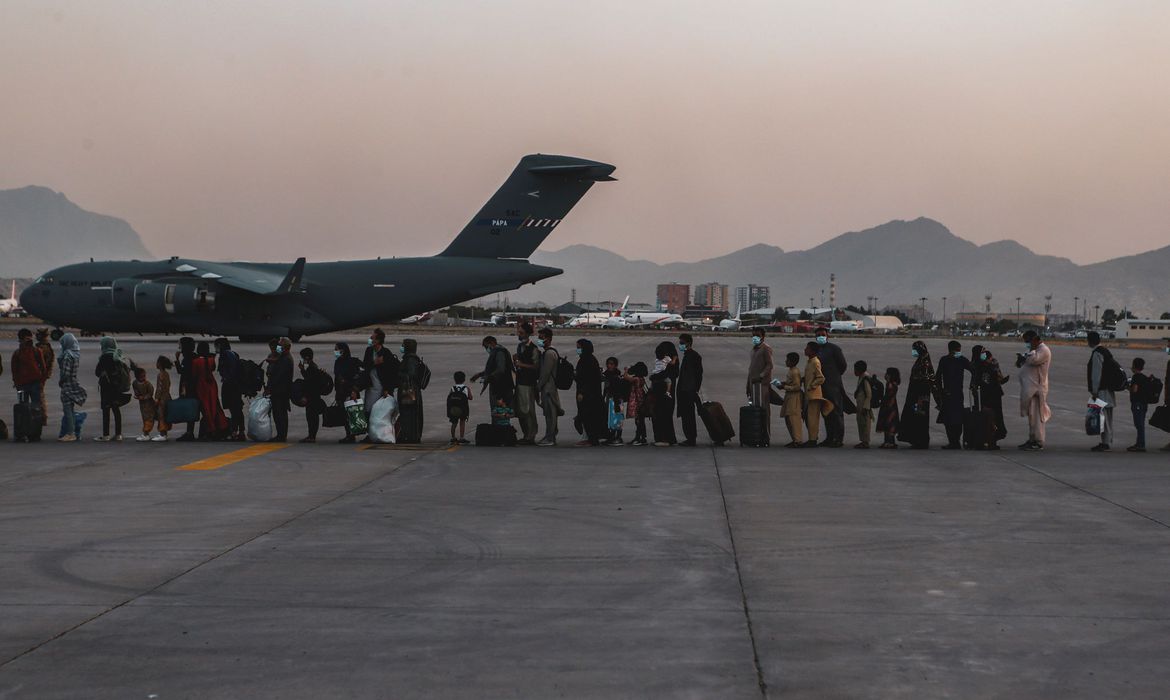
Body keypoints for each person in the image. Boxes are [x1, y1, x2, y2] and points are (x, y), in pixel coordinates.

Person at [898, 341, 938, 449]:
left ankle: (921, 441)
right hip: (916, 395)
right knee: (916, 416)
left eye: (915, 349)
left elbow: (927, 379)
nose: (913, 352)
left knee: (920, 416)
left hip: (920, 397)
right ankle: (917, 440)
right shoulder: (921, 360)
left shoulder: (924, 362)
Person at [1018, 330, 1052, 451]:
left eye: (1028, 341)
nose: (1027, 344)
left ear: (1034, 340)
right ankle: (1032, 439)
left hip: (1038, 389)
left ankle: (1038, 441)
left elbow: (1034, 360)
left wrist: (1029, 353)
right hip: (1032, 388)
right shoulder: (1035, 350)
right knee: (1032, 416)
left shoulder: (1043, 350)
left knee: (1038, 416)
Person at [814, 327, 848, 448]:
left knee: (836, 412)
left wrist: (834, 376)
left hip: (833, 385)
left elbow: (843, 365)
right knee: (826, 412)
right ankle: (829, 437)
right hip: (821, 386)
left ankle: (838, 438)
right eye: (818, 335)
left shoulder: (834, 349)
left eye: (823, 334)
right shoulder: (816, 350)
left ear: (827, 335)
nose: (821, 337)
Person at [936, 340, 973, 449]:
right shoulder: (957, 360)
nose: (959, 352)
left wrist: (940, 389)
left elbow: (938, 376)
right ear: (952, 349)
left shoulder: (949, 360)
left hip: (950, 393)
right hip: (953, 393)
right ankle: (954, 441)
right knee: (952, 418)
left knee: (952, 418)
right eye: (958, 350)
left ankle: (954, 441)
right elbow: (973, 369)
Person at [970, 345, 1008, 450]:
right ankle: (985, 440)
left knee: (996, 417)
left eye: (985, 351)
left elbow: (999, 377)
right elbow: (975, 381)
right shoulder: (976, 365)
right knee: (985, 418)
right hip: (982, 395)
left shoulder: (991, 363)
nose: (984, 353)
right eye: (982, 351)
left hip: (994, 395)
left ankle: (993, 440)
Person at [94, 336, 131, 442]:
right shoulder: (117, 356)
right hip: (117, 387)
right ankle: (118, 434)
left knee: (106, 411)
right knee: (116, 409)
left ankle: (106, 435)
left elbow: (97, 372)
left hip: (106, 388)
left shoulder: (104, 357)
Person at [192, 340, 229, 440]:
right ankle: (221, 426)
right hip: (211, 384)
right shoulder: (211, 360)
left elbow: (194, 374)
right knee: (214, 406)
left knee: (206, 408)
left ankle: (211, 429)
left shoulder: (196, 362)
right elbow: (212, 369)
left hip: (202, 386)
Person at [1087, 331, 1117, 452]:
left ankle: (1105, 443)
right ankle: (1107, 440)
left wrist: (1094, 391)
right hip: (1108, 389)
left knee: (1102, 417)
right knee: (1108, 417)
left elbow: (1096, 374)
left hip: (1102, 390)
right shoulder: (1105, 351)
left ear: (1090, 341)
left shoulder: (1097, 353)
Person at [574, 339, 606, 446]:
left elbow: (588, 379)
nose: (577, 350)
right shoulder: (589, 359)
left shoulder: (587, 360)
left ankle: (591, 439)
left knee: (588, 415)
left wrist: (582, 392)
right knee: (588, 415)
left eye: (579, 347)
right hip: (591, 393)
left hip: (588, 394)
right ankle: (590, 437)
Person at [513, 322, 540, 445]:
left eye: (521, 333)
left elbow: (536, 366)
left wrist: (521, 364)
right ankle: (526, 434)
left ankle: (531, 435)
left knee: (528, 410)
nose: (519, 335)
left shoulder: (533, 349)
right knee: (521, 410)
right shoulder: (520, 347)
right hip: (520, 381)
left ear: (528, 334)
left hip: (528, 383)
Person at [361, 328, 400, 416]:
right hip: (371, 387)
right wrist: (374, 362)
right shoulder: (369, 350)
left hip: (382, 388)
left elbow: (390, 374)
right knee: (368, 410)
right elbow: (365, 365)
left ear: (378, 340)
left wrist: (387, 389)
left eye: (372, 338)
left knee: (381, 413)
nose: (370, 339)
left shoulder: (386, 353)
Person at [56, 333, 87, 442]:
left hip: (67, 385)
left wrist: (61, 381)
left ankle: (70, 433)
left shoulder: (68, 355)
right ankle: (74, 432)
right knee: (71, 409)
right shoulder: (75, 354)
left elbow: (65, 372)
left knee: (67, 410)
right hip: (73, 382)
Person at [675, 333, 704, 447]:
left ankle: (691, 438)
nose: (680, 345)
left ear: (688, 343)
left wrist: (694, 389)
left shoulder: (694, 356)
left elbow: (698, 374)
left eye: (682, 343)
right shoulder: (687, 355)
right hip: (685, 390)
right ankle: (690, 438)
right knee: (686, 415)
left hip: (688, 391)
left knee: (688, 416)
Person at [745, 329, 774, 442]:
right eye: (753, 335)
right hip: (753, 385)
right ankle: (756, 436)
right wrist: (748, 384)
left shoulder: (765, 348)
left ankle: (765, 437)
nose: (755, 337)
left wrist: (761, 376)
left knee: (763, 411)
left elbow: (769, 365)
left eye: (757, 335)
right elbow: (751, 369)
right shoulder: (753, 350)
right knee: (755, 412)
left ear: (763, 337)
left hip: (761, 385)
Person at [471, 336, 514, 412]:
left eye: (486, 346)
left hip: (501, 387)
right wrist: (479, 375)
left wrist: (488, 377)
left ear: (491, 343)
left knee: (499, 412)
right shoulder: (497, 352)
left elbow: (500, 369)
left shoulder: (499, 352)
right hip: (501, 386)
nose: (486, 349)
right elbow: (493, 369)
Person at [535, 328, 562, 446]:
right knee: (549, 413)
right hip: (549, 387)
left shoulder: (549, 354)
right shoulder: (548, 352)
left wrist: (538, 386)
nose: (539, 340)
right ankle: (549, 435)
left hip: (548, 388)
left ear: (548, 339)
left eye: (541, 338)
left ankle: (550, 437)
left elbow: (545, 373)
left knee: (550, 414)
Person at [333, 342, 364, 444]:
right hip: (341, 392)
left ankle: (352, 435)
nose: (335, 351)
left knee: (351, 414)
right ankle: (349, 434)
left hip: (350, 391)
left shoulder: (352, 362)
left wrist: (354, 391)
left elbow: (358, 376)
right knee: (344, 414)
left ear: (343, 350)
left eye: (337, 349)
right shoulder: (338, 362)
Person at [215, 338, 245, 441]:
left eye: (217, 345)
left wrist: (228, 380)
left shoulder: (225, 355)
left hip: (231, 385)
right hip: (236, 385)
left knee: (234, 409)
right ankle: (240, 431)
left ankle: (235, 432)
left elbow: (228, 371)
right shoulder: (233, 353)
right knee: (237, 409)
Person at [298, 347, 330, 443]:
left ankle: (312, 436)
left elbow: (309, 382)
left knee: (311, 417)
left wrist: (303, 370)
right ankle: (311, 435)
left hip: (312, 397)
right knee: (312, 416)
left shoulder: (312, 368)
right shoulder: (313, 367)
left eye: (303, 358)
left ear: (307, 357)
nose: (302, 359)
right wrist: (303, 369)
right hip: (314, 396)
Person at [650, 341, 679, 447]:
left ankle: (663, 438)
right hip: (668, 395)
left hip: (661, 396)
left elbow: (656, 377)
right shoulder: (671, 366)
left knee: (660, 415)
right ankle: (669, 438)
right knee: (667, 416)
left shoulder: (663, 368)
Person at [11, 328, 49, 408]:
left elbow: (43, 368)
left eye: (30, 338)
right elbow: (14, 370)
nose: (29, 341)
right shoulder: (17, 353)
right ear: (21, 340)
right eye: (26, 339)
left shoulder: (37, 351)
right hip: (22, 385)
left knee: (37, 408)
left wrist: (42, 382)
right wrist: (17, 384)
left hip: (36, 383)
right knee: (23, 408)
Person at [265, 337, 294, 442]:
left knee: (280, 413)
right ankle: (281, 434)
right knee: (279, 413)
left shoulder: (286, 359)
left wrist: (270, 388)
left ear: (286, 347)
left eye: (280, 346)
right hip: (280, 390)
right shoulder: (282, 357)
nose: (278, 348)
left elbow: (278, 376)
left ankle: (281, 435)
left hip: (280, 390)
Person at [397, 338, 425, 443]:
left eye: (403, 345)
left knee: (409, 413)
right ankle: (410, 435)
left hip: (409, 391)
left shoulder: (410, 360)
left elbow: (411, 374)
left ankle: (411, 436)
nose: (402, 347)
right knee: (410, 413)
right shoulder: (411, 358)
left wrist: (399, 373)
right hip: (412, 390)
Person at [802, 341, 828, 448]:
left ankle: (813, 439)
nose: (805, 350)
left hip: (814, 395)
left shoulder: (815, 362)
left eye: (807, 348)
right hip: (809, 394)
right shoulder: (810, 362)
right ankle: (812, 438)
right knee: (808, 417)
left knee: (812, 418)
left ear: (812, 351)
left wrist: (811, 386)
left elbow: (821, 378)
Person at [174, 337, 200, 442]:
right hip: (195, 386)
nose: (179, 347)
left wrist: (176, 360)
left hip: (189, 387)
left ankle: (190, 432)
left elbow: (182, 372)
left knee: (189, 408)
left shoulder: (187, 358)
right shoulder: (194, 356)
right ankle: (191, 431)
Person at [776, 351, 803, 448]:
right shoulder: (791, 370)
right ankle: (794, 439)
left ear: (792, 361)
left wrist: (784, 387)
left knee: (793, 419)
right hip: (789, 397)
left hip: (794, 398)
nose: (785, 361)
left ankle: (798, 440)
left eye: (787, 360)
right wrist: (783, 384)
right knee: (788, 418)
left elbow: (797, 387)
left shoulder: (795, 372)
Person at [1127, 358, 1150, 453]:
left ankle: (1141, 445)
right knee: (1141, 424)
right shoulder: (1144, 377)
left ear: (1134, 366)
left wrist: (1128, 387)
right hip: (1144, 404)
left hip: (1137, 404)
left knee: (1139, 425)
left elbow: (1135, 390)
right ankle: (1139, 443)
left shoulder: (1136, 377)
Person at [624, 361, 649, 446]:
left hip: (638, 401)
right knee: (640, 420)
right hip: (641, 400)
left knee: (639, 421)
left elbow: (626, 377)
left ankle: (640, 438)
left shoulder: (637, 379)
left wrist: (626, 370)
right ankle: (640, 437)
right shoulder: (641, 378)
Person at [603, 356, 626, 445]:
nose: (609, 366)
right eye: (608, 364)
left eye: (611, 364)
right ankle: (611, 436)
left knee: (618, 418)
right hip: (609, 399)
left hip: (617, 400)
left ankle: (618, 437)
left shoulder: (617, 376)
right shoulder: (606, 375)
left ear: (615, 365)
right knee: (610, 418)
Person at [132, 366, 158, 442]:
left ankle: (146, 433)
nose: (144, 378)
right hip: (142, 405)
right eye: (141, 376)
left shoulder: (147, 384)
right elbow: (136, 390)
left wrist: (143, 397)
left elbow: (151, 392)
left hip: (149, 404)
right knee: (145, 417)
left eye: (144, 376)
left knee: (148, 418)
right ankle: (146, 433)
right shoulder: (135, 383)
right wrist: (137, 395)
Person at [877, 367, 901, 449]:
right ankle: (888, 441)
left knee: (889, 424)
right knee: (888, 425)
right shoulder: (892, 384)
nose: (885, 375)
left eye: (887, 374)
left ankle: (890, 442)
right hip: (890, 407)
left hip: (889, 408)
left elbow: (889, 396)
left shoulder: (891, 385)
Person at [35, 328, 55, 426]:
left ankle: (43, 417)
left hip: (40, 375)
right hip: (43, 374)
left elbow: (42, 363)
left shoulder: (42, 348)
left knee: (39, 396)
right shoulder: (46, 346)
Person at [853, 360, 873, 449]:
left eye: (855, 370)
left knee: (865, 424)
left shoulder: (865, 379)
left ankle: (865, 442)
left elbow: (869, 394)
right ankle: (863, 441)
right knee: (861, 423)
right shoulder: (862, 377)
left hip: (864, 406)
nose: (854, 371)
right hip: (860, 405)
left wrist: (866, 407)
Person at [449, 371, 473, 445]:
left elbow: (449, 397)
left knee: (454, 423)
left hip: (454, 409)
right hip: (463, 409)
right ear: (464, 379)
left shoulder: (452, 388)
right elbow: (470, 397)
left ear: (454, 379)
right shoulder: (466, 388)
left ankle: (453, 437)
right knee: (462, 423)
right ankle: (461, 437)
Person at [154, 355, 173, 442]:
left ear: (160, 364)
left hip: (162, 398)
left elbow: (159, 388)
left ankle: (162, 433)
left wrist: (157, 398)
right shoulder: (166, 374)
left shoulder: (160, 375)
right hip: (167, 396)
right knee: (165, 415)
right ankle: (165, 432)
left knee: (161, 415)